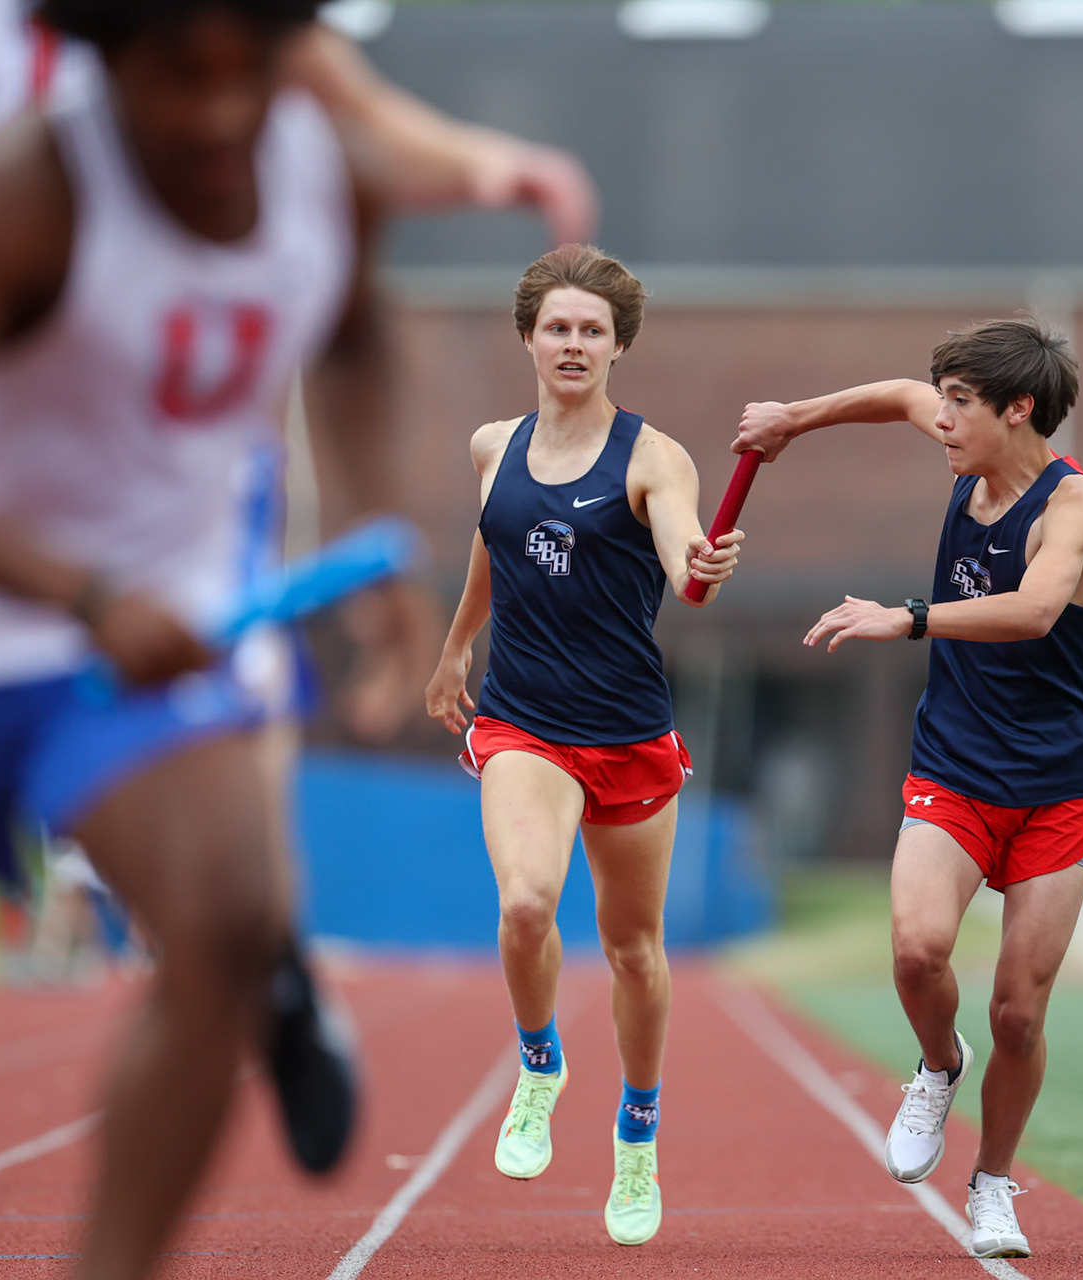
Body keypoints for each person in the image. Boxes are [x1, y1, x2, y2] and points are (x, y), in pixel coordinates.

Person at [0, 2, 602, 1274]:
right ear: (104, 59)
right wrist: (79, 596)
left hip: (157, 617)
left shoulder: (319, 179)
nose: (223, 111)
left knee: (235, 907)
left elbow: (350, 332)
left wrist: (369, 538)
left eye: (257, 70)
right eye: (183, 78)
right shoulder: (17, 197)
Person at [734, 317, 1083, 1261]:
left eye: (960, 404)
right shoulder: (960, 454)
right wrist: (793, 418)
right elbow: (896, 395)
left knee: (1020, 1009)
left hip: (1061, 782)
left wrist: (904, 618)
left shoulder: (1072, 509)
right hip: (955, 763)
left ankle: (993, 1184)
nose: (938, 417)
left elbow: (1032, 612)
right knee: (916, 951)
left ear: (1019, 410)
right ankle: (938, 1066)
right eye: (943, 399)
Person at [424, 245, 744, 1247]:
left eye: (592, 330)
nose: (573, 343)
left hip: (628, 731)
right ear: (529, 335)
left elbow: (686, 569)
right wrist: (452, 652)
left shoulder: (654, 459)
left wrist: (701, 565)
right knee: (524, 902)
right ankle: (538, 1063)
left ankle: (638, 1134)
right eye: (557, 326)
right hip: (524, 720)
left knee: (633, 949)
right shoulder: (492, 444)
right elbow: (493, 543)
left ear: (618, 346)